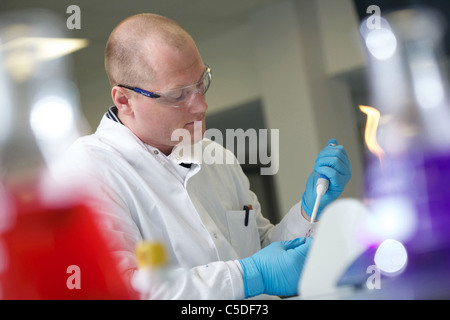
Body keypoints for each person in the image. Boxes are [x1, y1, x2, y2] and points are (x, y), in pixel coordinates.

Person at [62, 13, 351, 299]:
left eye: (201, 83)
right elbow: (117, 289)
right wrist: (250, 275)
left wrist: (306, 211)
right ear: (124, 101)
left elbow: (263, 253)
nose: (201, 105)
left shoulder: (216, 156)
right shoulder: (88, 169)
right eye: (178, 95)